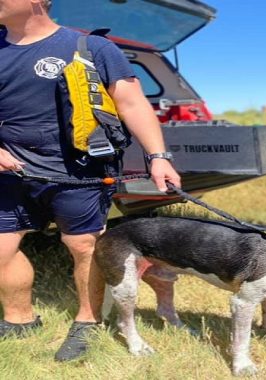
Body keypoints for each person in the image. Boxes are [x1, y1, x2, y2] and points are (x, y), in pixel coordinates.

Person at [0, 0, 181, 361]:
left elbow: (131, 103)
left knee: (83, 245)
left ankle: (88, 321)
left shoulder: (92, 48)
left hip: (79, 170)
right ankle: (19, 319)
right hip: (10, 170)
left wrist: (158, 157)